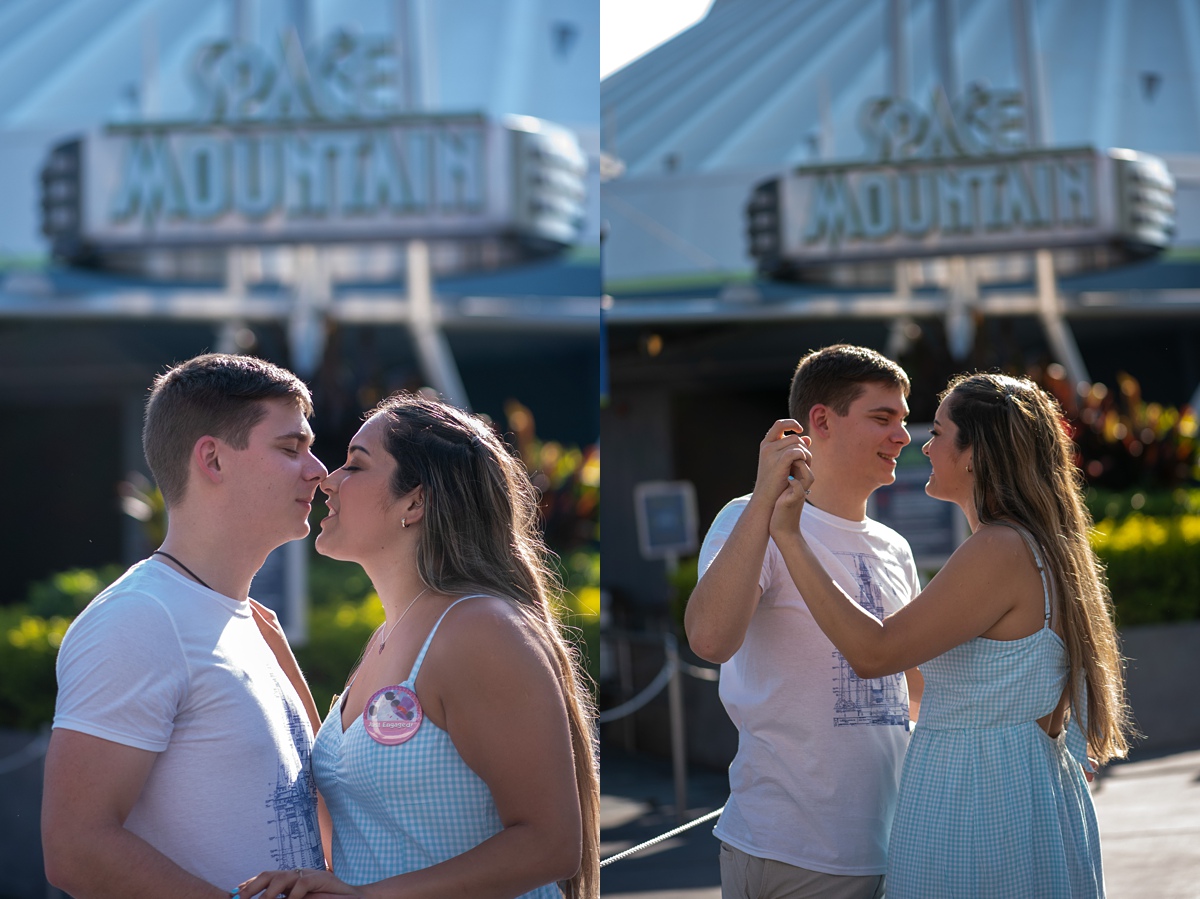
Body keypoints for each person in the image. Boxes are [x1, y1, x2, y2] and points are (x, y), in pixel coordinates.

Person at [768, 372, 1133, 898]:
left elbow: (876, 652)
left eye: (938, 432)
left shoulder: (999, 548)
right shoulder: (1029, 544)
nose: (923, 443)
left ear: (974, 453)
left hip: (981, 803)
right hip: (1015, 793)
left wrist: (790, 536)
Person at [238, 392, 599, 899]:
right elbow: (358, 819)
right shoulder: (391, 634)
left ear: (415, 501)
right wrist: (282, 665)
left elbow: (551, 845)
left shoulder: (479, 630)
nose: (328, 480)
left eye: (355, 466)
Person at [43, 353, 331, 898]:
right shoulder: (136, 620)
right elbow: (74, 850)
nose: (318, 470)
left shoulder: (252, 622)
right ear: (213, 460)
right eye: (291, 448)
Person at [685, 344, 924, 899]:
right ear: (820, 421)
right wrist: (766, 500)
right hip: (789, 849)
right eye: (882, 418)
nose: (902, 437)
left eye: (904, 421)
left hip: (890, 848)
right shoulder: (746, 518)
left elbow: (914, 691)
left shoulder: (895, 547)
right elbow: (710, 640)